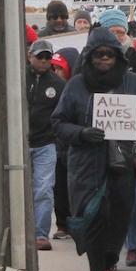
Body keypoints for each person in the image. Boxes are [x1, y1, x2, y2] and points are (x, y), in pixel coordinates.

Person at [51, 27, 136, 271]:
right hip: (87, 165)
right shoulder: (76, 85)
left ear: (117, 56)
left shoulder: (132, 83)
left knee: (119, 218)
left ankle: (110, 263)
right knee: (93, 218)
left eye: (109, 54)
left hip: (121, 164)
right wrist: (81, 133)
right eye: (98, 54)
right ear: (89, 57)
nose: (104, 59)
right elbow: (58, 122)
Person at [26, 40, 66, 251]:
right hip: (19, 143)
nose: (43, 61)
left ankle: (41, 234)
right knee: (17, 189)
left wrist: (57, 138)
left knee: (43, 189)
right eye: (39, 56)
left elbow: (64, 114)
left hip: (45, 144)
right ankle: (20, 231)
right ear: (29, 55)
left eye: (47, 57)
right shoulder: (16, 78)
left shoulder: (59, 85)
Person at [50, 47, 79, 240]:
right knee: (58, 186)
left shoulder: (78, 90)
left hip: (75, 146)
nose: (56, 73)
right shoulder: (51, 88)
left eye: (59, 68)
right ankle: (63, 224)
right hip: (55, 145)